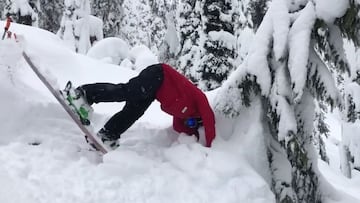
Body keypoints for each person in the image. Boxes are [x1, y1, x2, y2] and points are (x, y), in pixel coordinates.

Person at [76, 63, 216, 149]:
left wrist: (194, 133)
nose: (188, 122)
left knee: (134, 111)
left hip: (154, 91)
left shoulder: (183, 115)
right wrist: (211, 148)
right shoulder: (200, 100)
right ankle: (84, 94)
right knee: (125, 92)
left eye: (190, 123)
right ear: (199, 118)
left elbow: (177, 127)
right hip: (159, 75)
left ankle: (108, 135)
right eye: (192, 122)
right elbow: (210, 121)